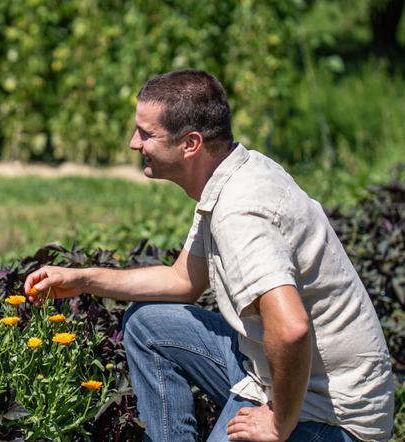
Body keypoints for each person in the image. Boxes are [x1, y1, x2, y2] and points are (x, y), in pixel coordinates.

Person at [24, 70, 394, 441]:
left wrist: (279, 423)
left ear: (190, 144)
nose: (134, 143)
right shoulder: (231, 173)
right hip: (272, 370)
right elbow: (182, 280)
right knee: (147, 324)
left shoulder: (241, 211)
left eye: (147, 134)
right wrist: (82, 279)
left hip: (330, 415)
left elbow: (291, 328)